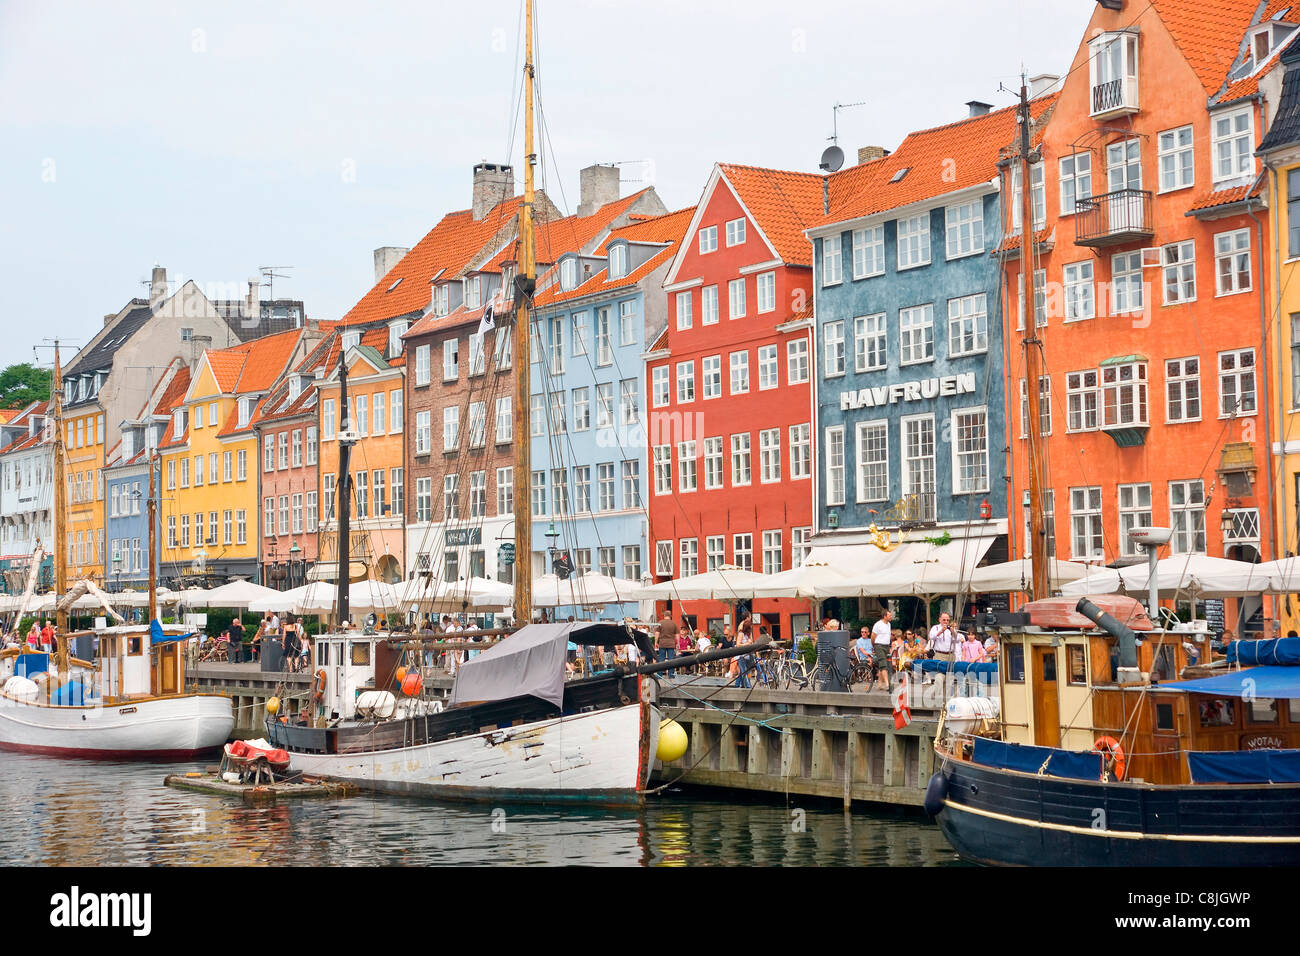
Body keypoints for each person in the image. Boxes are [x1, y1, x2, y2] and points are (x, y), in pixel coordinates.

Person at [871, 608, 893, 691]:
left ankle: (880, 684)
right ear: (884, 616)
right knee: (883, 664)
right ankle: (887, 684)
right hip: (879, 645)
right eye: (889, 615)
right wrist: (874, 646)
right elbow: (873, 636)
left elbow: (887, 636)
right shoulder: (878, 624)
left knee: (884, 664)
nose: (891, 617)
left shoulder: (889, 624)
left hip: (886, 646)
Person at [656, 611, 678, 675]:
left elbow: (657, 633)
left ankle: (659, 674)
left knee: (661, 659)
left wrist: (656, 642)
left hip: (662, 643)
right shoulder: (673, 623)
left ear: (664, 615)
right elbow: (677, 634)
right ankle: (671, 674)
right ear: (670, 616)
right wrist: (678, 643)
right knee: (671, 659)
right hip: (671, 643)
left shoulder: (660, 622)